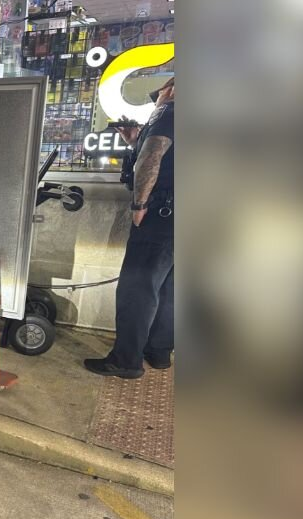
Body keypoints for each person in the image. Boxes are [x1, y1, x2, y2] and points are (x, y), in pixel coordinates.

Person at [85, 77, 175, 379]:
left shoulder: (169, 113)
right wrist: (135, 140)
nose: (157, 100)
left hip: (162, 215)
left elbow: (153, 157)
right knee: (170, 288)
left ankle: (125, 361)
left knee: (138, 288)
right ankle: (159, 352)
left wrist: (139, 205)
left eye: (158, 94)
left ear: (172, 90)